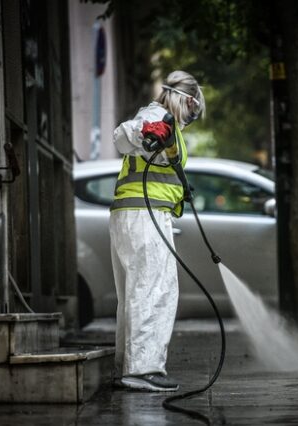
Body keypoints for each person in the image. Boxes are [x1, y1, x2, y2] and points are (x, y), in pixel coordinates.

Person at [109, 70, 205, 391]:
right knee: (155, 290)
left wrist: (180, 187)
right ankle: (142, 370)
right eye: (191, 110)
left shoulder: (167, 124)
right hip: (144, 215)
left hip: (134, 214)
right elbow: (123, 135)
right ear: (186, 100)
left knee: (135, 292)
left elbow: (162, 162)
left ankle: (128, 365)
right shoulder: (156, 115)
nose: (190, 117)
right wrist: (145, 132)